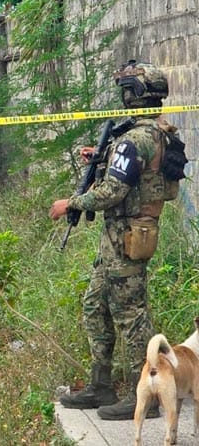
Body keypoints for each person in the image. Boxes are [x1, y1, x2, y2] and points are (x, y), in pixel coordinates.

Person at [49, 60, 178, 420]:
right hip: (121, 237)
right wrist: (102, 157)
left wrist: (71, 203)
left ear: (132, 94)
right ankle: (100, 384)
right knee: (95, 305)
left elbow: (112, 192)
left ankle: (147, 394)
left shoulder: (135, 138)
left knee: (131, 316)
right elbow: (133, 176)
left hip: (127, 237)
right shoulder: (155, 132)